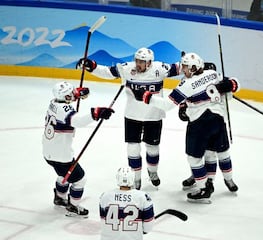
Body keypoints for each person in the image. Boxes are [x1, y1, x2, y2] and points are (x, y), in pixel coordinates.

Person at [131, 52, 241, 203]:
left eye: (185, 67)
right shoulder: (213, 74)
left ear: (194, 68)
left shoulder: (186, 84)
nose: (182, 70)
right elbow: (235, 84)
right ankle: (225, 180)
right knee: (218, 152)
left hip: (199, 124)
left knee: (194, 158)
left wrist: (146, 97)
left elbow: (167, 105)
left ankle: (203, 188)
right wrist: (227, 85)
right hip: (218, 121)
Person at [76, 47, 181, 190]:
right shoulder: (127, 68)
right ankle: (136, 179)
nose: (138, 64)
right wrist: (92, 66)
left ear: (149, 63)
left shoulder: (160, 69)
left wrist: (202, 68)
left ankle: (153, 172)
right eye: (137, 60)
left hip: (154, 116)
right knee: (132, 149)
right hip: (132, 115)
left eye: (142, 62)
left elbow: (182, 68)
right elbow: (108, 72)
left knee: (153, 148)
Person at [43, 81, 114, 217]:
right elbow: (79, 121)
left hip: (48, 152)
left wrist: (77, 94)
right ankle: (73, 206)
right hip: (61, 155)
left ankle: (59, 197)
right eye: (70, 94)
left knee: (63, 174)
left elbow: (68, 102)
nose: (72, 95)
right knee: (80, 179)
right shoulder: (64, 110)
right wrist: (97, 113)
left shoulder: (53, 103)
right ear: (65, 97)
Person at [99, 167, 155, 240]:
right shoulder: (143, 197)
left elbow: (103, 219)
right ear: (132, 178)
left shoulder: (105, 196)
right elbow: (148, 226)